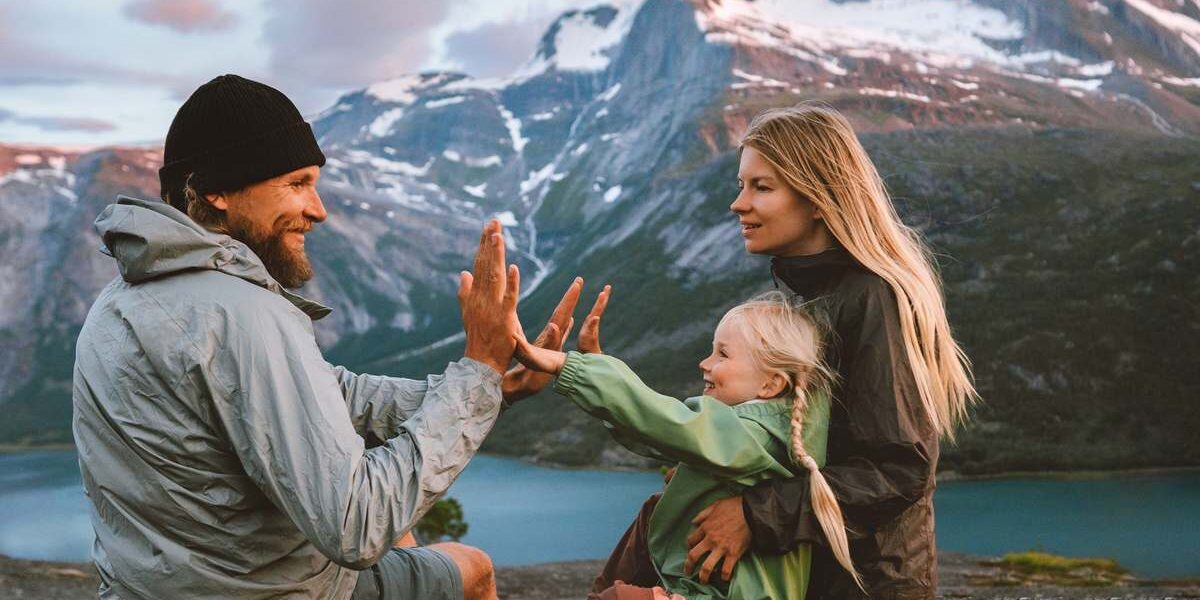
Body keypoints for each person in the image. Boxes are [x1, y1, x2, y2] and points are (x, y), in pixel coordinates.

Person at [72, 74, 582, 600]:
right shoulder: (239, 313)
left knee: (405, 532)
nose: (319, 210)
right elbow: (356, 526)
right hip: (271, 592)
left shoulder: (118, 302)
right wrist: (479, 366)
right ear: (216, 191)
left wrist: (496, 388)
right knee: (470, 568)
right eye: (296, 183)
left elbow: (329, 393)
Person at [598, 104, 978, 599]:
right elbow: (800, 436)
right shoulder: (816, 292)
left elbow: (897, 469)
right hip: (812, 568)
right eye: (741, 185)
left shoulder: (871, 298)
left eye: (761, 187)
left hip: (862, 582)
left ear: (818, 197)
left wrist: (756, 515)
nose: (738, 204)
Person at [515, 289, 865, 599]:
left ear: (771, 385)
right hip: (707, 588)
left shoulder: (753, 433)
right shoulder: (770, 428)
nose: (705, 363)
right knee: (654, 510)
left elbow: (668, 425)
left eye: (722, 355)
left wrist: (570, 367)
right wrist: (601, 369)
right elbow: (657, 432)